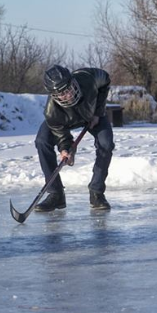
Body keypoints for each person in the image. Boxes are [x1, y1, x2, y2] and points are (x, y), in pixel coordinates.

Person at [34, 65, 115, 212]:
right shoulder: (52, 112)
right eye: (61, 94)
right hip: (65, 120)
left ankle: (96, 193)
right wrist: (66, 149)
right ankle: (55, 194)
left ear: (73, 81)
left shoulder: (88, 78)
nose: (68, 95)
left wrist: (98, 111)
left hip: (92, 115)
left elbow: (106, 80)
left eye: (69, 88)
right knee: (42, 141)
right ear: (53, 95)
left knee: (106, 144)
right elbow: (61, 135)